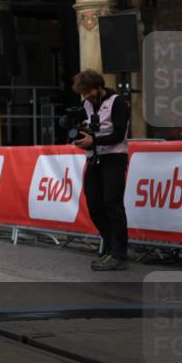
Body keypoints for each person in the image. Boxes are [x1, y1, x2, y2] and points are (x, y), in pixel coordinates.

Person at [72, 69, 130, 271]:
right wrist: (80, 133)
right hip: (94, 158)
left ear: (99, 86)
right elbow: (81, 128)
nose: (87, 96)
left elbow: (119, 134)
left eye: (89, 91)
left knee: (112, 203)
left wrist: (94, 139)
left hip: (114, 157)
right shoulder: (86, 104)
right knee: (94, 204)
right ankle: (109, 244)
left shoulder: (118, 102)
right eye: (84, 93)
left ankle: (119, 254)